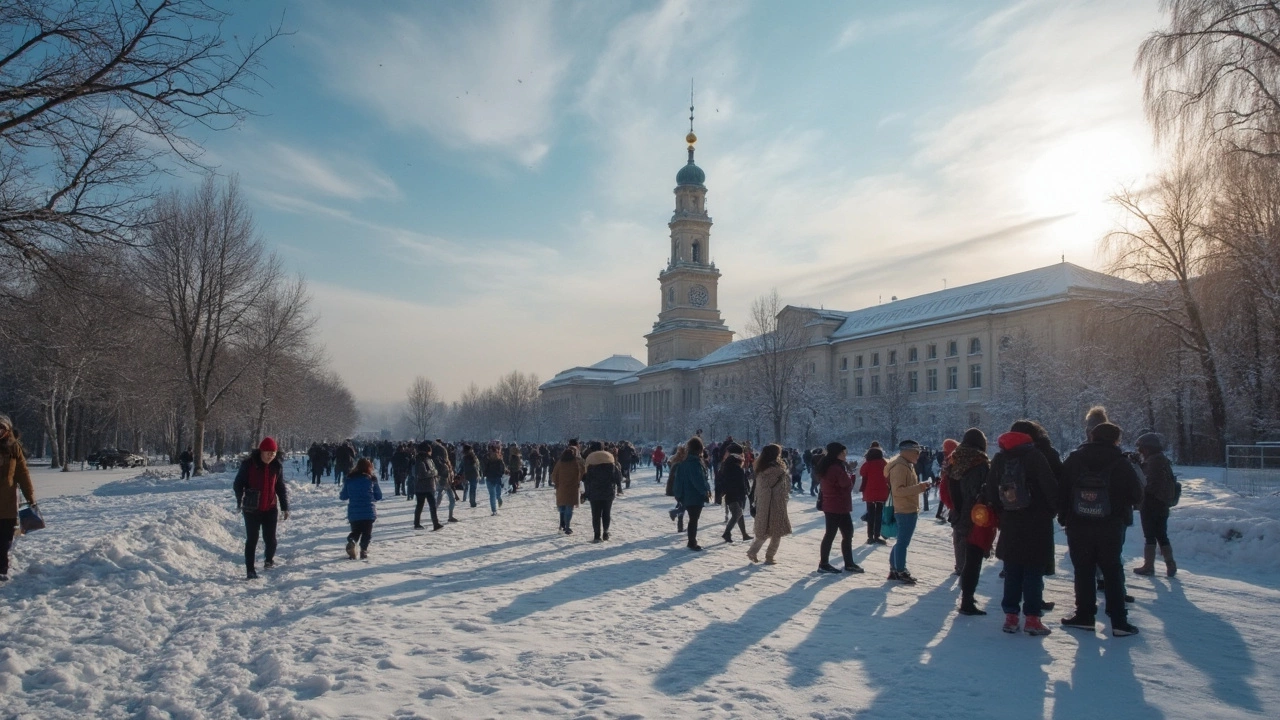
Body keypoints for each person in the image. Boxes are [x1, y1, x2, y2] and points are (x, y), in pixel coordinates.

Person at [1058, 422, 1145, 637]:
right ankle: (1118, 621)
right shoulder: (1121, 462)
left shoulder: (1075, 459)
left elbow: (1060, 489)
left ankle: (1085, 615)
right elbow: (1137, 495)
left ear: (1092, 437)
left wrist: (1065, 515)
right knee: (1112, 570)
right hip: (1111, 525)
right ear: (1116, 439)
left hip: (1078, 524)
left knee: (1083, 569)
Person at [987, 420, 1059, 636]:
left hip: (1010, 522)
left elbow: (991, 491)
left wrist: (1003, 511)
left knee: (1012, 571)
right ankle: (1032, 619)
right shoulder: (1035, 456)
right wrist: (1053, 511)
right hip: (1037, 522)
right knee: (1033, 572)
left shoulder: (1000, 458)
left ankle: (1010, 617)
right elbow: (1050, 487)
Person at [233, 437, 289, 580]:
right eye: (268, 452)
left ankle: (269, 559)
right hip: (252, 509)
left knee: (270, 539)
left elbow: (280, 487)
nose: (271, 455)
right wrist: (241, 498)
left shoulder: (277, 466)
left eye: (273, 452)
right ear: (261, 451)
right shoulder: (249, 465)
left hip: (270, 508)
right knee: (252, 539)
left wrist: (285, 507)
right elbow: (238, 483)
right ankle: (250, 570)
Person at [948, 429, 991, 615]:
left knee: (963, 552)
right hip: (975, 516)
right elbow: (980, 493)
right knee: (974, 558)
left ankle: (966, 595)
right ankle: (967, 600)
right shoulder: (980, 464)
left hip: (957, 513)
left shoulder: (954, 460)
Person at [1132, 432, 1177, 578]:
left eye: (1141, 448)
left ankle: (1149, 566)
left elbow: (1146, 483)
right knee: (1162, 534)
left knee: (1150, 535)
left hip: (1151, 503)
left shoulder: (1152, 462)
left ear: (1147, 448)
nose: (1140, 451)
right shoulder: (1163, 460)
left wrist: (1137, 467)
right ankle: (1170, 563)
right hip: (1163, 504)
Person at [886, 440, 930, 583]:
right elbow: (898, 491)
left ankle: (894, 569)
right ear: (907, 451)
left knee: (901, 541)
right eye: (916, 452)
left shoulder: (906, 465)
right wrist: (920, 487)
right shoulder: (900, 467)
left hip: (907, 507)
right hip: (905, 509)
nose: (918, 455)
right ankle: (900, 570)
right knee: (903, 542)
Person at [817, 442, 863, 574]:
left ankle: (845, 563)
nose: (845, 454)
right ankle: (827, 563)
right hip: (837, 505)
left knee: (841, 534)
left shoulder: (828, 465)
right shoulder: (836, 468)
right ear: (837, 454)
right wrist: (851, 477)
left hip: (833, 504)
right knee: (842, 534)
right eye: (843, 452)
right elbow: (846, 484)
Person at [0, 414, 36, 582]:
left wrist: (30, 497)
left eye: (2, 428)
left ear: (7, 430)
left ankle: (2, 568)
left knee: (6, 537)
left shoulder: (14, 448)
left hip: (7, 502)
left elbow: (22, 473)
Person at [746, 444, 791, 564]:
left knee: (764, 531)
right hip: (777, 505)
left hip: (764, 505)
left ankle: (753, 552)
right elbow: (784, 488)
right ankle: (769, 556)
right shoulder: (778, 470)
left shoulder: (761, 469)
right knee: (776, 532)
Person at [671, 436, 712, 550]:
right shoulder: (695, 463)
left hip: (686, 495)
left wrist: (679, 495)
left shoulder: (683, 463)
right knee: (694, 520)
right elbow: (699, 480)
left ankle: (691, 540)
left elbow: (678, 480)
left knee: (692, 518)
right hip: (694, 496)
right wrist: (705, 491)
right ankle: (692, 542)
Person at [340, 458, 382, 560]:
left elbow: (343, 496)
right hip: (368, 511)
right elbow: (379, 496)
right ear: (369, 467)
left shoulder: (349, 479)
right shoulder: (371, 479)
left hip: (354, 512)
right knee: (367, 533)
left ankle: (352, 541)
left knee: (356, 531)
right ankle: (363, 551)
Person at [583, 442, 622, 542]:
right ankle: (605, 532)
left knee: (595, 514)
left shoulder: (590, 459)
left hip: (594, 492)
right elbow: (617, 476)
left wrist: (586, 493)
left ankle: (597, 535)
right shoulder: (610, 458)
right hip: (608, 491)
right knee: (606, 513)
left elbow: (587, 479)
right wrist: (619, 487)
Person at [714, 443, 753, 543]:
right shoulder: (732, 464)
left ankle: (744, 534)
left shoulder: (732, 463)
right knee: (737, 514)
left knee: (739, 514)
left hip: (736, 493)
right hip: (734, 494)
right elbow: (732, 480)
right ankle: (727, 532)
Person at [860, 443, 889, 544]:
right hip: (882, 492)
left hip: (870, 492)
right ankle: (877, 535)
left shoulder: (868, 464)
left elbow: (861, 473)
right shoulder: (884, 463)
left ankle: (870, 536)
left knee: (871, 514)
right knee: (879, 514)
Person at [551, 446, 584, 534]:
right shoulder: (576, 462)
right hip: (572, 488)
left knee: (562, 507)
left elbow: (554, 475)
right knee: (569, 507)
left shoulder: (560, 462)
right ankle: (567, 526)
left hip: (561, 488)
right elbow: (581, 472)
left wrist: (557, 483)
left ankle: (562, 524)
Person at [412, 443, 443, 531]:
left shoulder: (428, 459)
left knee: (432, 506)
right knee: (421, 506)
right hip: (422, 487)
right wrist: (433, 472)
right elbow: (423, 474)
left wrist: (434, 472)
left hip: (429, 486)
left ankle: (435, 523)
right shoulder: (420, 460)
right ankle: (417, 523)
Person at [666, 444, 689, 533]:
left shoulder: (676, 461)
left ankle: (680, 525)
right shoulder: (681, 463)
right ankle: (675, 513)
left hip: (677, 488)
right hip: (682, 488)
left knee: (682, 504)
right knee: (685, 505)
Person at [483, 444, 507, 515]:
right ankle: (499, 498)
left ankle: (494, 510)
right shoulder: (499, 458)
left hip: (489, 478)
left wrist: (484, 474)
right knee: (497, 492)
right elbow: (503, 468)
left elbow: (484, 467)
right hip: (497, 478)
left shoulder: (486, 458)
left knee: (492, 495)